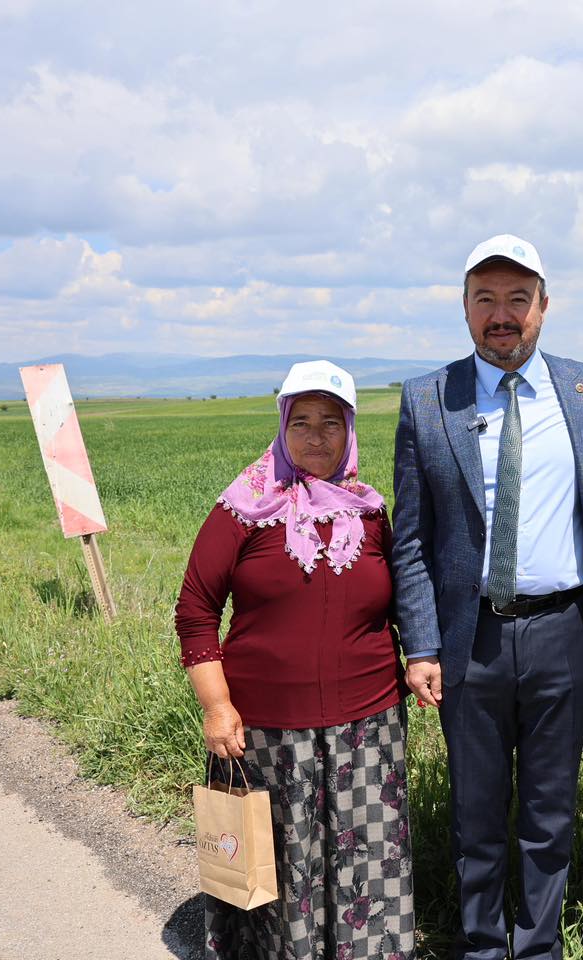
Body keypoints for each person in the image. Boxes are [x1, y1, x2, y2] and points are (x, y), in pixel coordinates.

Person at [390, 234, 583, 960]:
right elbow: (411, 538)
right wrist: (421, 644)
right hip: (470, 638)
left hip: (564, 632)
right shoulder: (429, 399)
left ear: (545, 306)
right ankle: (483, 946)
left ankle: (539, 947)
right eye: (484, 298)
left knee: (550, 814)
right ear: (464, 307)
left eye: (518, 298)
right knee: (476, 814)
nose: (501, 314)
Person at [176, 360, 415, 960]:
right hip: (268, 732)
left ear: (350, 430)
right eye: (301, 421)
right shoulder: (242, 509)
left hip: (369, 724)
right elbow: (196, 609)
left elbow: (402, 604)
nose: (315, 436)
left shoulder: (369, 512)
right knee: (284, 863)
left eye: (331, 422)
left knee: (369, 858)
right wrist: (217, 706)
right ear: (282, 426)